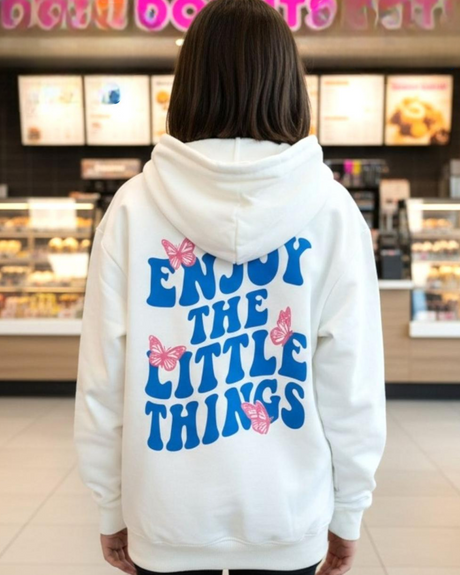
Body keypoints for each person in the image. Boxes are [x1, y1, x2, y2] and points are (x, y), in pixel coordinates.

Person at [73, 0, 387, 574]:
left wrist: (109, 503)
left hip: (164, 518)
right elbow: (353, 383)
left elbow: (103, 380)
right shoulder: (333, 211)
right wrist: (348, 512)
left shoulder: (132, 208)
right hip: (287, 518)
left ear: (188, 86)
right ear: (289, 86)